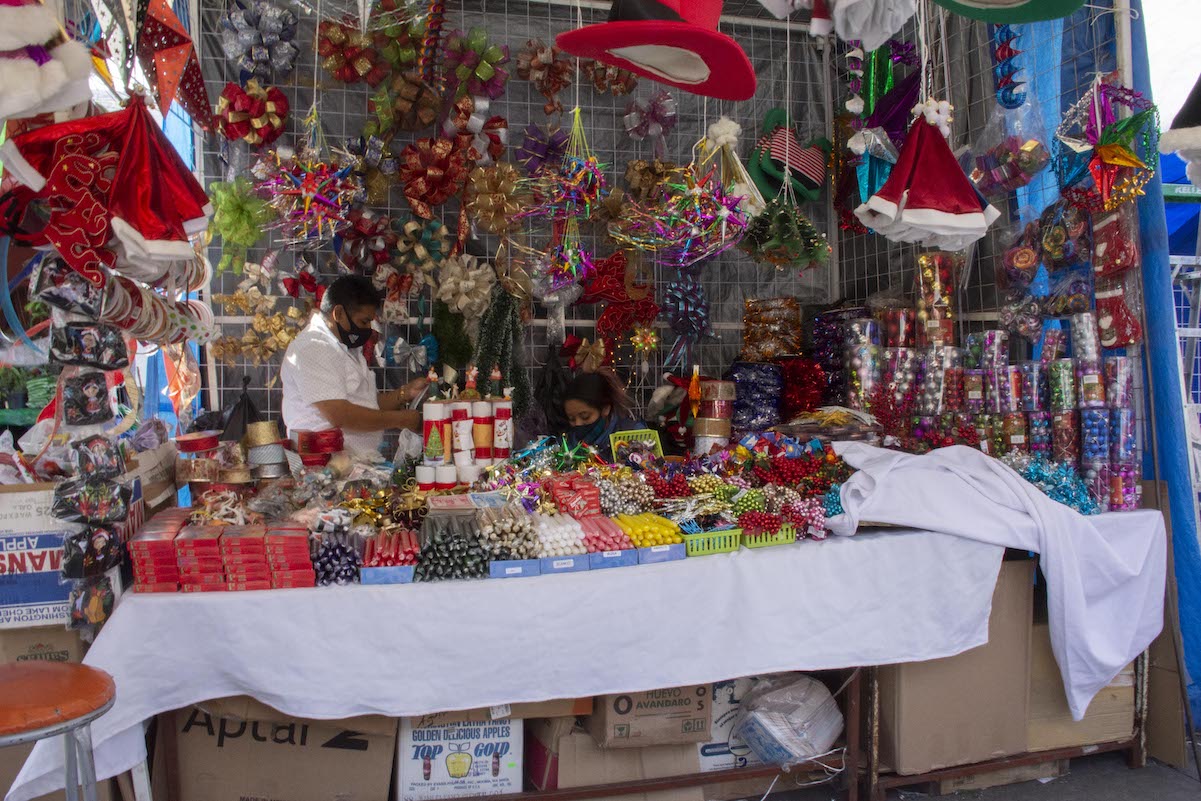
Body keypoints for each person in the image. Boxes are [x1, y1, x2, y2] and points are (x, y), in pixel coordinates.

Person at [281, 275, 426, 455]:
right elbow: (340, 414)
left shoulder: (346, 347)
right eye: (364, 321)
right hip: (324, 469)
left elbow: (365, 404)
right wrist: (402, 420)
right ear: (338, 313)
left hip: (353, 465)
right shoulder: (314, 347)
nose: (368, 329)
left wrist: (405, 393)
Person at [562, 371, 643, 460]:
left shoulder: (634, 436)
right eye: (572, 419)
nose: (578, 423)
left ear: (605, 409)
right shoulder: (567, 444)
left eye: (585, 416)